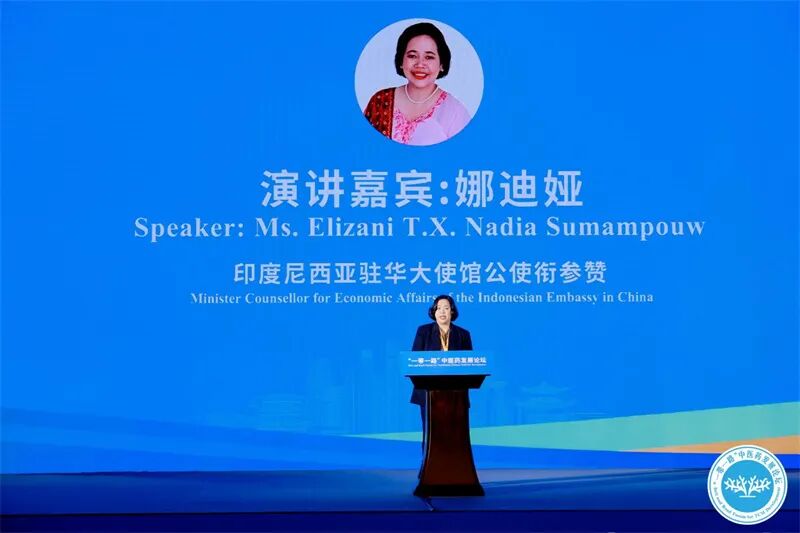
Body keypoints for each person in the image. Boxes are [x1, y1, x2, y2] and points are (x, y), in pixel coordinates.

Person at [364, 22, 471, 146]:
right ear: (401, 61)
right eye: (412, 56)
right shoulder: (379, 101)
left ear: (441, 64)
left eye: (429, 57)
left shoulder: (455, 113)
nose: (420, 64)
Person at [410, 294, 473, 423]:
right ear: (434, 311)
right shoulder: (423, 331)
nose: (442, 311)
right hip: (428, 393)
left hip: (456, 394)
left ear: (452, 311)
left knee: (455, 430)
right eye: (438, 308)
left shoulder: (463, 334)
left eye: (446, 308)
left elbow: (470, 365)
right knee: (431, 430)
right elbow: (413, 361)